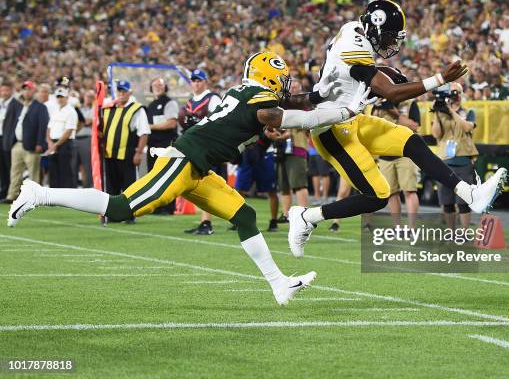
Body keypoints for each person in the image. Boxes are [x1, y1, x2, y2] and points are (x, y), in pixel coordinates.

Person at [8, 51, 369, 306]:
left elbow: (280, 110)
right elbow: (297, 119)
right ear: (268, 77)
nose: (285, 84)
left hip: (199, 168)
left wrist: (315, 99)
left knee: (244, 215)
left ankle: (279, 285)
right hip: (183, 162)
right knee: (119, 208)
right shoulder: (260, 103)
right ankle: (40, 193)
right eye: (281, 78)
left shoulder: (245, 94)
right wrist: (345, 109)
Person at [287, 0, 507, 257]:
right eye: (390, 36)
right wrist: (440, 79)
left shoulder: (352, 29)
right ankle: (307, 215)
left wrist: (381, 72)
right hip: (332, 130)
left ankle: (469, 193)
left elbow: (356, 73)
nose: (392, 43)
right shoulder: (353, 46)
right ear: (375, 27)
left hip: (350, 120)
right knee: (378, 195)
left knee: (408, 139)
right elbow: (392, 93)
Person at [374, 78, 421, 230]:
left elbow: (414, 126)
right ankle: (398, 228)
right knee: (391, 193)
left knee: (409, 190)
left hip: (405, 154)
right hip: (385, 154)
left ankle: (412, 228)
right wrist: (378, 109)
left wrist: (394, 113)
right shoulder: (379, 105)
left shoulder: (410, 104)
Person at [431, 83, 479, 232]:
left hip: (464, 159)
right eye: (452, 93)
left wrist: (450, 111)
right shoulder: (441, 112)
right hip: (445, 159)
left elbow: (467, 127)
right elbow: (436, 134)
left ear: (462, 94)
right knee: (447, 202)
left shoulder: (468, 112)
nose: (454, 96)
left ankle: (464, 232)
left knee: (463, 201)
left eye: (457, 93)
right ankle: (451, 232)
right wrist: (437, 114)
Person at [181, 69, 223, 235]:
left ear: (205, 82)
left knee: (207, 182)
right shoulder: (190, 101)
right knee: (198, 183)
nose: (196, 83)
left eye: (199, 80)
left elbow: (218, 119)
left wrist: (199, 124)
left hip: (208, 145)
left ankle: (207, 222)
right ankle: (204, 221)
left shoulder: (212, 98)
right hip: (194, 145)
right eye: (194, 80)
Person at [101, 80, 150, 223]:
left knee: (129, 186)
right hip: (109, 154)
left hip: (127, 154)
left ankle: (130, 215)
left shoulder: (137, 109)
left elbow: (144, 133)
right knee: (111, 187)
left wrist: (139, 152)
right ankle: (114, 215)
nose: (121, 94)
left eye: (124, 91)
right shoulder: (109, 108)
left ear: (130, 92)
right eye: (119, 91)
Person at [5, 81, 48, 201]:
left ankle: (34, 197)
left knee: (33, 173)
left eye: (29, 89)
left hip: (32, 145)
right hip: (17, 143)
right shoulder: (19, 105)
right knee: (15, 172)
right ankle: (12, 196)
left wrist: (40, 143)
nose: (26, 91)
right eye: (24, 89)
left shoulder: (40, 107)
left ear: (34, 91)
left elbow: (42, 126)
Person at [146, 77, 179, 215]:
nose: (158, 87)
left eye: (160, 85)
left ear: (165, 87)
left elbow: (171, 123)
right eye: (155, 85)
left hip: (166, 144)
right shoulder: (151, 105)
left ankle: (168, 206)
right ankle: (156, 205)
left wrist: (150, 127)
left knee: (166, 176)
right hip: (153, 145)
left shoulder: (170, 103)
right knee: (153, 176)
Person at [46, 87, 78, 188]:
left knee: (65, 170)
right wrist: (50, 142)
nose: (60, 99)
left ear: (67, 98)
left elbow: (68, 131)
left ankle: (68, 196)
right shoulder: (55, 110)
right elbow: (49, 128)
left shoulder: (71, 111)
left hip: (65, 143)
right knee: (53, 170)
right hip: (53, 143)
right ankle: (54, 196)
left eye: (62, 97)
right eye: (58, 97)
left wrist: (56, 145)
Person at [74, 90, 95, 188]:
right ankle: (72, 187)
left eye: (91, 97)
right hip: (75, 138)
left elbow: (90, 122)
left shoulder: (95, 109)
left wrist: (85, 121)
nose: (89, 98)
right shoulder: (78, 108)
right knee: (73, 164)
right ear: (84, 97)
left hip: (88, 138)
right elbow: (79, 122)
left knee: (87, 165)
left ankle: (87, 187)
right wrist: (85, 121)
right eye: (87, 96)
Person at [0, 83, 16, 199]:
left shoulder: (16, 104)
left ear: (11, 91)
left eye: (6, 90)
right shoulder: (1, 104)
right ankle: (4, 191)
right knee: (1, 167)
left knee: (10, 166)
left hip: (8, 140)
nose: (4, 93)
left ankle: (11, 192)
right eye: (2, 90)